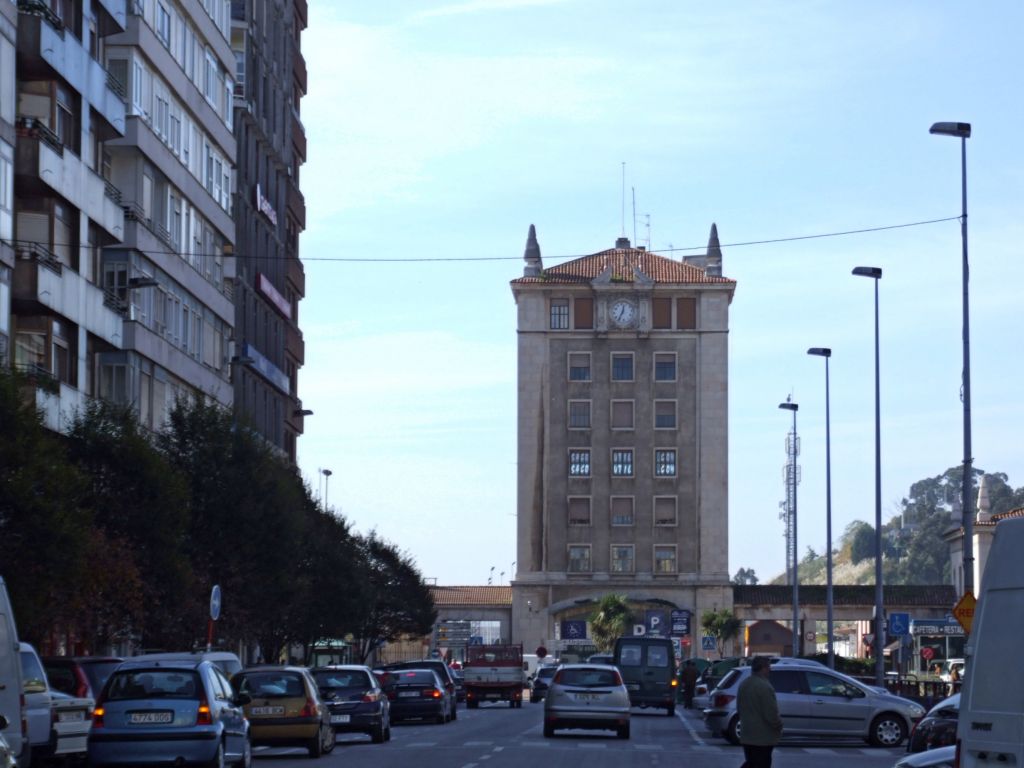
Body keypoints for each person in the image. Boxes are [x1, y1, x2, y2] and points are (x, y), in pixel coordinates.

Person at [736, 657, 783, 768]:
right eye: (768, 667)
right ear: (763, 668)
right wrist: (779, 725)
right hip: (763, 737)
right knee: (761, 763)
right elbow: (771, 714)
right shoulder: (765, 687)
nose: (770, 670)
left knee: (751, 762)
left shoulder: (744, 684)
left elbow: (739, 708)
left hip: (747, 734)